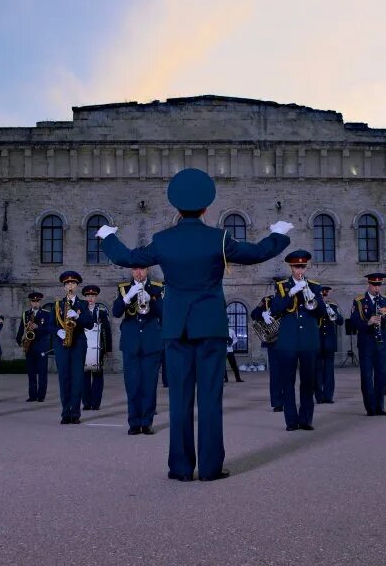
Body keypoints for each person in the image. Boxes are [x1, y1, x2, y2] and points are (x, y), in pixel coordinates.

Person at [97, 167, 292, 482]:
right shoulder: (219, 239)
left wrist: (107, 236)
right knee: (210, 399)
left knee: (179, 400)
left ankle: (181, 468)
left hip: (175, 329)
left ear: (176, 207)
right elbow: (256, 254)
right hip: (210, 327)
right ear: (205, 207)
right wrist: (279, 232)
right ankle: (211, 468)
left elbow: (129, 258)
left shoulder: (162, 241)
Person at [270, 250, 326, 431]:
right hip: (288, 341)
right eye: (296, 266)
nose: (299, 270)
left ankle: (306, 419)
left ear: (306, 266)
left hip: (309, 341)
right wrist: (291, 293)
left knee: (308, 382)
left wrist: (310, 294)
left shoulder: (315, 286)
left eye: (302, 266)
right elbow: (276, 309)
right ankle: (291, 421)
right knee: (288, 382)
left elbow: (322, 312)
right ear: (291, 267)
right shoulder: (281, 286)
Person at [113, 269, 164, 434]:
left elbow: (164, 312)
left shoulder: (156, 287)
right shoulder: (123, 288)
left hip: (151, 342)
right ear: (131, 270)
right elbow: (116, 312)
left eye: (141, 269)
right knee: (132, 384)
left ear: (147, 270)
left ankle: (147, 421)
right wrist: (128, 296)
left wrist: (151, 299)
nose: (138, 273)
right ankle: (134, 422)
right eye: (135, 269)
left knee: (149, 385)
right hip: (131, 342)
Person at [350, 274, 386, 416]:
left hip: (382, 343)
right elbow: (354, 321)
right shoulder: (359, 301)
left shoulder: (385, 301)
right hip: (366, 344)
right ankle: (370, 407)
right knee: (366, 376)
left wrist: (384, 317)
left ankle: (379, 406)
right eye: (374, 285)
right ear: (369, 284)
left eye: (379, 285)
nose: (377, 288)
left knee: (381, 375)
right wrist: (368, 322)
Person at [52, 271, 95, 424]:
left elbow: (90, 324)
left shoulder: (83, 304)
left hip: (78, 344)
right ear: (64, 287)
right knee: (64, 379)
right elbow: (50, 325)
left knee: (77, 379)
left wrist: (78, 316)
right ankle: (65, 413)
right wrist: (58, 331)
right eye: (67, 284)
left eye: (73, 283)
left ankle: (75, 413)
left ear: (76, 286)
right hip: (61, 345)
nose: (70, 286)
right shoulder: (57, 304)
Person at [251, 286, 284, 411]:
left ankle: (288, 400)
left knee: (288, 373)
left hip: (288, 340)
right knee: (275, 374)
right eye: (278, 289)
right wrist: (262, 313)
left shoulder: (291, 300)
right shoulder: (267, 301)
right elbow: (253, 314)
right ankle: (277, 403)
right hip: (273, 343)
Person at [15, 292, 52, 402]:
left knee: (42, 372)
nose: (35, 303)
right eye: (33, 301)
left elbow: (50, 329)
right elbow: (21, 329)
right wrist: (20, 341)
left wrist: (38, 327)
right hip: (29, 347)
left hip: (41, 347)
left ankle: (41, 396)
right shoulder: (25, 314)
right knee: (31, 372)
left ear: (40, 302)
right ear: (30, 302)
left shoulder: (47, 313)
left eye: (37, 301)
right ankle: (32, 395)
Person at [82, 285, 112, 411]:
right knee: (84, 377)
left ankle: (96, 403)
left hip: (98, 349)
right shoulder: (80, 312)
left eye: (93, 296)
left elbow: (108, 331)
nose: (90, 298)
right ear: (85, 297)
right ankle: (86, 403)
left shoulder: (102, 312)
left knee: (98, 377)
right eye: (88, 296)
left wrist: (108, 349)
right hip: (83, 349)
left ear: (96, 297)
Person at [315, 286, 344, 404]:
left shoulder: (332, 306)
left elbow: (340, 321)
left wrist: (333, 314)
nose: (323, 297)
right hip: (317, 342)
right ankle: (319, 396)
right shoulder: (313, 305)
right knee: (317, 371)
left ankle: (328, 396)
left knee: (329, 371)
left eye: (325, 295)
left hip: (329, 343)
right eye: (321, 295)